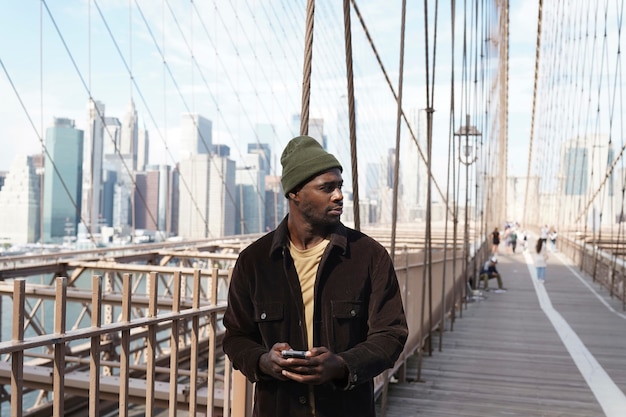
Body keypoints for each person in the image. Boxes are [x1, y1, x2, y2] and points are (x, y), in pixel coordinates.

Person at [222, 135, 408, 417]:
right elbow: (236, 337)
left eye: (340, 186)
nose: (339, 195)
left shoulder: (369, 257)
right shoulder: (254, 262)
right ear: (294, 192)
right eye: (327, 188)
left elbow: (391, 335)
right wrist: (263, 361)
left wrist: (342, 365)